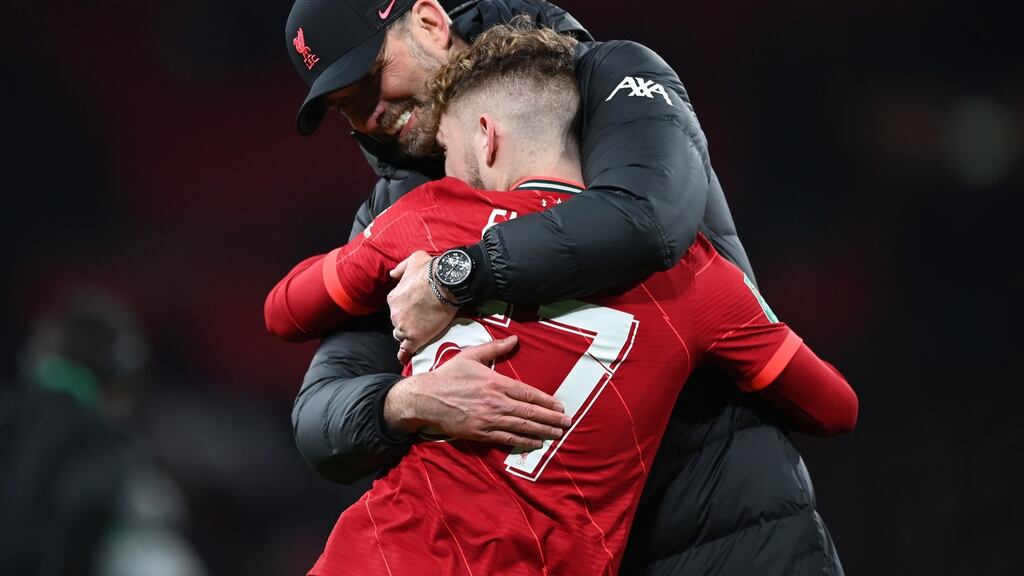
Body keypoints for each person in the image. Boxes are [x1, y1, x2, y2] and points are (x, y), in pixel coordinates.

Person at [274, 1, 849, 573]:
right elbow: (317, 417)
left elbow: (645, 220)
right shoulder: (404, 206)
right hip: (563, 554)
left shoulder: (607, 78)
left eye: (371, 79)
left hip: (727, 528)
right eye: (345, 107)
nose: (369, 113)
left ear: (429, 21)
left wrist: (455, 275)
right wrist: (405, 403)